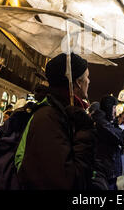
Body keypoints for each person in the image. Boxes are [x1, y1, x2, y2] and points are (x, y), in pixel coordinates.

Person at [16, 53, 96, 189]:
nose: (89, 81)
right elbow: (64, 181)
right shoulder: (49, 118)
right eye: (87, 76)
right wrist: (85, 132)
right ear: (77, 81)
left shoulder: (65, 113)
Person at [90, 95, 124, 190]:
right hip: (104, 171)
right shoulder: (102, 123)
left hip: (109, 170)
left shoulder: (107, 121)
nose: (116, 111)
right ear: (109, 107)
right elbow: (122, 138)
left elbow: (117, 135)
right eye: (114, 107)